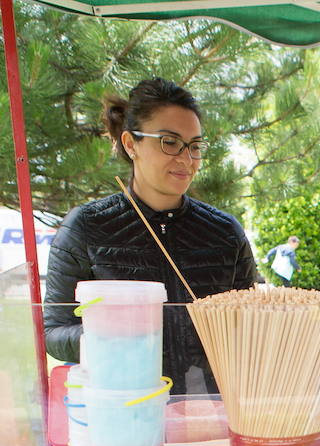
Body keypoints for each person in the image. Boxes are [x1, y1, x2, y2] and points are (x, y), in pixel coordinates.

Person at [43, 77, 259, 394]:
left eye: (195, 146)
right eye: (169, 142)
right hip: (125, 412)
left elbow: (251, 322)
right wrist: (110, 337)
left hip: (210, 411)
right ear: (131, 144)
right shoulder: (86, 227)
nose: (186, 159)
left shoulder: (225, 232)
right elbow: (54, 331)